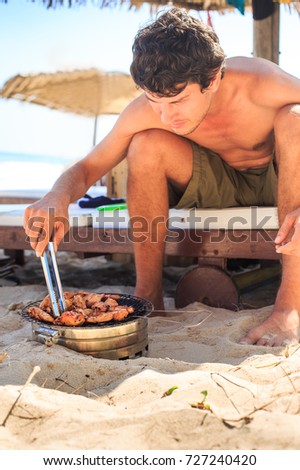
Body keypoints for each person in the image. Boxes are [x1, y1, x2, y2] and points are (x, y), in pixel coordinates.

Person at [24, 8, 300, 347]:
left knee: (295, 119)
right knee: (145, 143)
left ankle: (290, 307)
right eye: (156, 101)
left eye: (179, 101)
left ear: (212, 79)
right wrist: (56, 197)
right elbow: (87, 167)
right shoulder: (147, 110)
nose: (167, 116)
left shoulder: (262, 83)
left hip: (282, 175)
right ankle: (149, 296)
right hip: (218, 181)